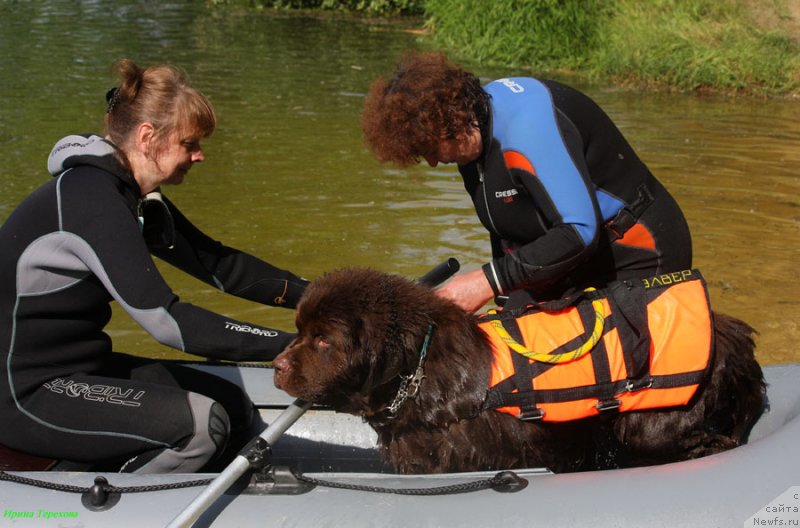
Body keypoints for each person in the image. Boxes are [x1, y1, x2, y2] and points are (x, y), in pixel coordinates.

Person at [0, 59, 308, 473]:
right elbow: (168, 322)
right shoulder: (90, 200)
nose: (199, 156)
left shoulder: (132, 195)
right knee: (202, 426)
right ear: (148, 137)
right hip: (25, 392)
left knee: (234, 407)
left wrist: (326, 298)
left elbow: (221, 266)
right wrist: (296, 347)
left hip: (80, 370)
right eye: (190, 143)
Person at [361, 51, 692, 312]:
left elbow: (578, 231)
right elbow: (505, 225)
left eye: (430, 149)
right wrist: (503, 296)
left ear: (454, 120)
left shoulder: (527, 128)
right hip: (566, 260)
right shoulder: (467, 139)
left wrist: (486, 282)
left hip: (634, 253)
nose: (433, 161)